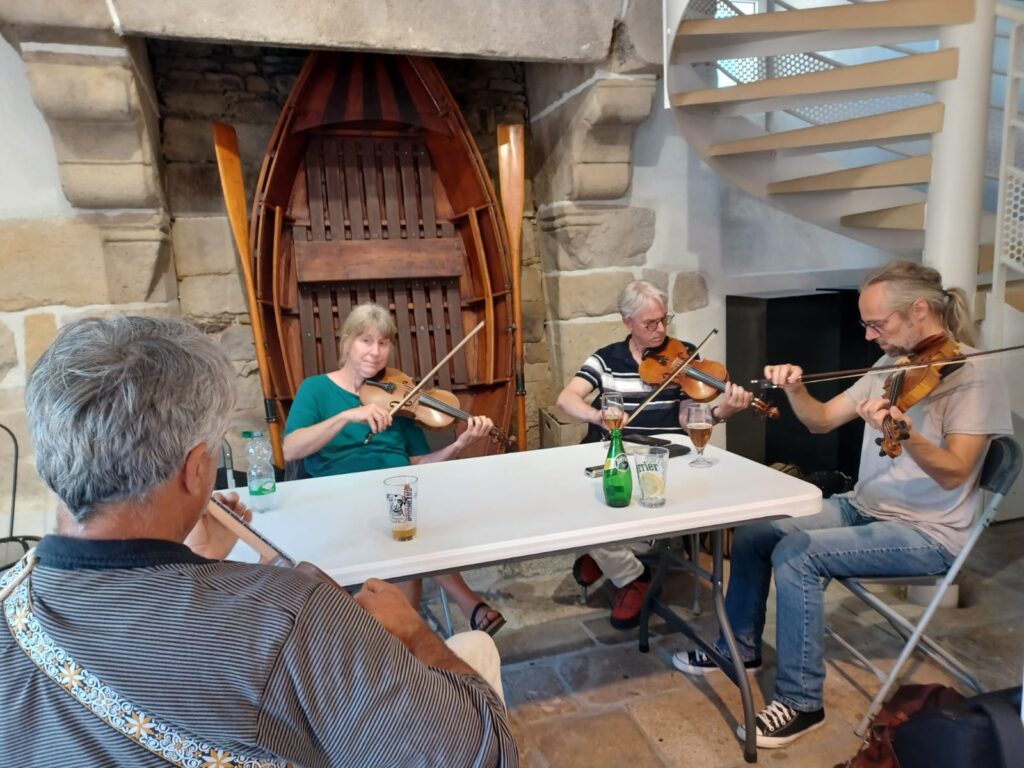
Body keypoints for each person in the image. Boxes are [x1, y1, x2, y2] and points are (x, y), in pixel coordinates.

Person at [0, 316, 517, 767]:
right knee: (473, 648)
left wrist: (200, 562)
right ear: (196, 470)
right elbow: (481, 756)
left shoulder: (10, 599)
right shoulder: (292, 613)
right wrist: (412, 635)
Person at [672, 261, 1013, 749]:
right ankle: (739, 650)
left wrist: (905, 432)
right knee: (755, 533)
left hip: (927, 533)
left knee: (800, 554)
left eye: (879, 324)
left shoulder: (974, 377)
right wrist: (796, 390)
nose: (871, 337)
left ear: (919, 310)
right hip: (864, 506)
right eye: (866, 325)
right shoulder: (891, 365)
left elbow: (956, 470)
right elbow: (822, 421)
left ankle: (802, 703)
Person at [283, 303, 506, 635]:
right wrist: (347, 416)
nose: (375, 352)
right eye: (365, 341)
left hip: (398, 490)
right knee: (406, 530)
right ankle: (463, 605)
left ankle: (403, 636)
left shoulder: (401, 395)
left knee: (408, 523)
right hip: (340, 498)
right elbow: (291, 448)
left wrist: (458, 445)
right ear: (346, 343)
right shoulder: (316, 389)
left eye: (383, 343)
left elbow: (418, 463)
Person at [556, 280, 753, 629]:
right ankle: (631, 572)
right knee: (575, 508)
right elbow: (567, 398)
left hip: (662, 458)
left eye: (664, 319)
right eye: (650, 323)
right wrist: (596, 415)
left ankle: (612, 561)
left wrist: (722, 412)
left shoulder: (684, 355)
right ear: (627, 321)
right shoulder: (606, 359)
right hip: (611, 453)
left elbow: (689, 418)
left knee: (623, 520)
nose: (660, 330)